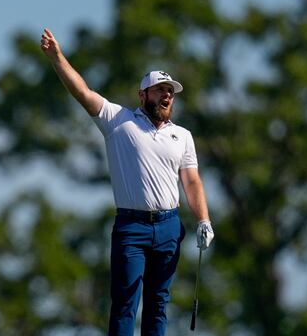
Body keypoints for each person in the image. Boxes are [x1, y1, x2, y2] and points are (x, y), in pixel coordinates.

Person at [40, 28, 214, 335]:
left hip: (169, 227)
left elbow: (192, 182)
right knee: (124, 303)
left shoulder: (182, 136)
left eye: (170, 92)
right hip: (131, 228)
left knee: (159, 304)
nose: (167, 95)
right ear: (143, 95)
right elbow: (82, 92)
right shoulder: (118, 121)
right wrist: (57, 58)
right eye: (160, 90)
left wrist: (203, 220)